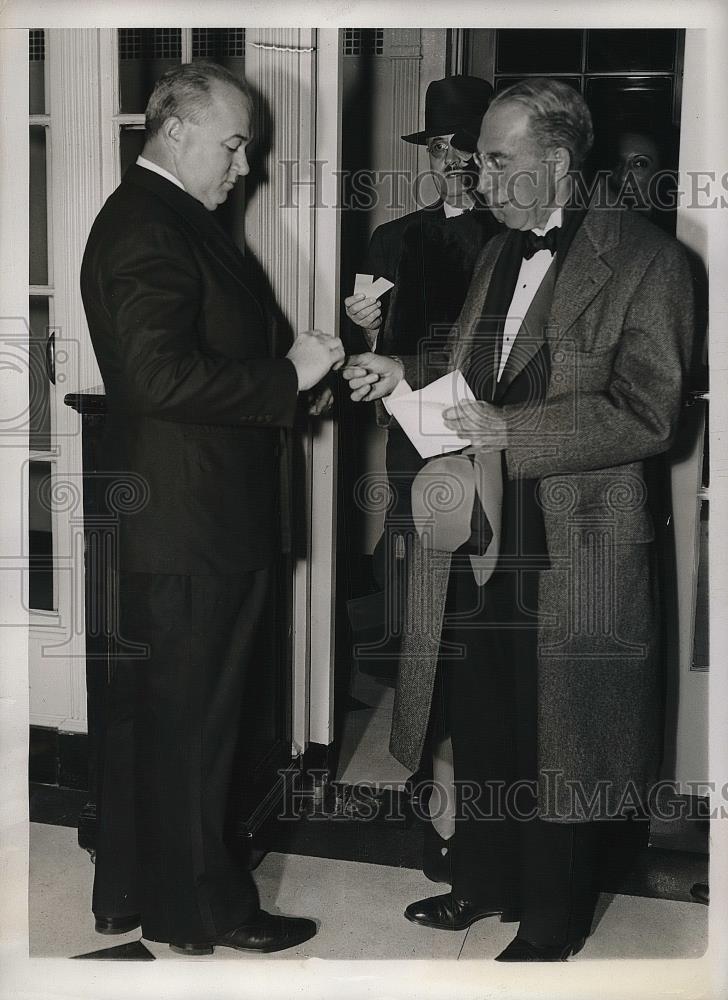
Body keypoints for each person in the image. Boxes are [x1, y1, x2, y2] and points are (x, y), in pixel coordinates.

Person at [343, 77, 694, 961]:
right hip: (482, 528)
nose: (480, 178)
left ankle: (553, 916)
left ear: (557, 161)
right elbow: (471, 398)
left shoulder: (653, 261)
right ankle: (485, 879)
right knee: (486, 706)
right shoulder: (499, 255)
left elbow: (652, 414)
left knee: (562, 730)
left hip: (577, 534)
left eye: (497, 160)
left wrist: (516, 432)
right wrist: (402, 385)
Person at [80, 61, 344, 955]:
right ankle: (204, 912)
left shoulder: (170, 220)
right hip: (193, 522)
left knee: (150, 714)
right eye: (234, 146)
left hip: (181, 516)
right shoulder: (150, 227)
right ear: (177, 130)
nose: (244, 168)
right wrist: (287, 375)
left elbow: (197, 365)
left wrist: (301, 381)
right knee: (198, 722)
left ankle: (124, 888)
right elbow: (156, 378)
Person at [343, 75, 499, 884]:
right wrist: (363, 332)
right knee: (419, 624)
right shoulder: (394, 240)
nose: (451, 162)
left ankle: (476, 786)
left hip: (493, 457)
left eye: (463, 145)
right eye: (438, 148)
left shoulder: (513, 240)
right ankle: (428, 769)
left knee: (481, 626)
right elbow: (371, 367)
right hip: (415, 462)